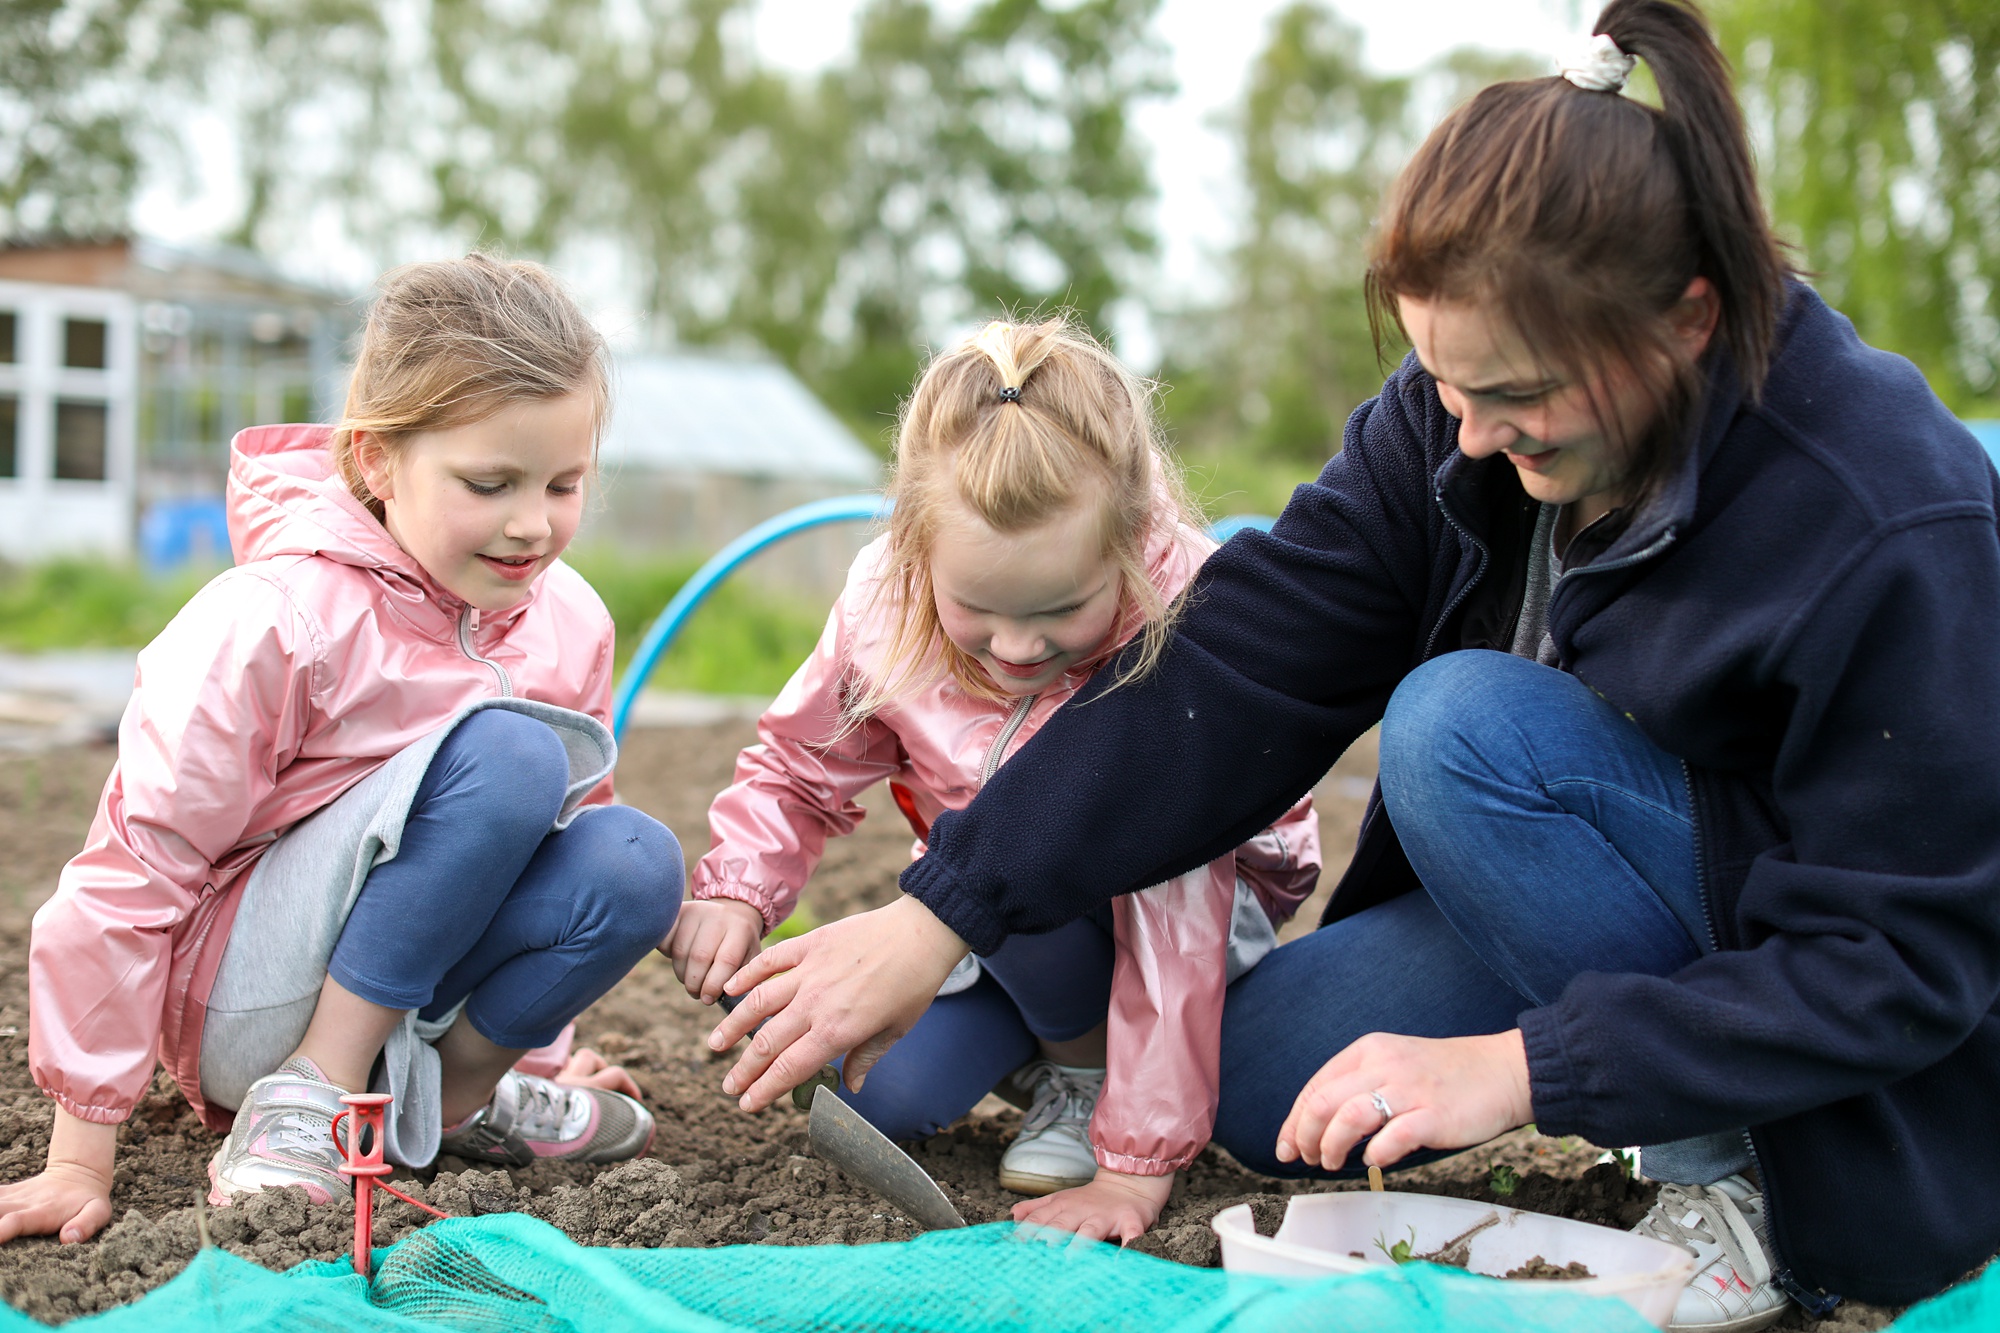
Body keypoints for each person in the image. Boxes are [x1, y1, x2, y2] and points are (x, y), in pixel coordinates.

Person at [707, 2, 2000, 1326]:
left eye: (1519, 397)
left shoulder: (1886, 516)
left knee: (1459, 729)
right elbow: (1233, 670)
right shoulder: (1454, 428)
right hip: (1592, 882)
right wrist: (945, 907)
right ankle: (1643, 1086)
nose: (1475, 437)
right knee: (1270, 1091)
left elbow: (1905, 959)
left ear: (1687, 318)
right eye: (1444, 380)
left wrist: (1526, 1071)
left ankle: (1742, 1180)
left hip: (1847, 1026)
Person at [0, 256, 683, 1247]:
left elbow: (552, 852)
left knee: (631, 857)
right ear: (373, 460)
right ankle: (310, 1093)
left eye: (562, 482)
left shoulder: (567, 617)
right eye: (488, 483)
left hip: (417, 1004)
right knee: (514, 759)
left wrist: (533, 1057)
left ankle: (449, 1104)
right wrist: (78, 1151)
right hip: (249, 998)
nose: (532, 523)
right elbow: (136, 868)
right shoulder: (278, 618)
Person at [666, 317, 1319, 1242]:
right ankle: (1060, 1050)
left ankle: (1093, 1077)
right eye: (976, 609)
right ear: (917, 544)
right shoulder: (886, 605)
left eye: (1061, 610)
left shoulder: (1185, 618)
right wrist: (738, 890)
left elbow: (1178, 924)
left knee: (1015, 821)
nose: (1017, 648)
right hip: (999, 913)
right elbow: (797, 762)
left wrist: (1134, 1173)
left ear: (1130, 540)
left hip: (1187, 910)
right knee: (877, 1101)